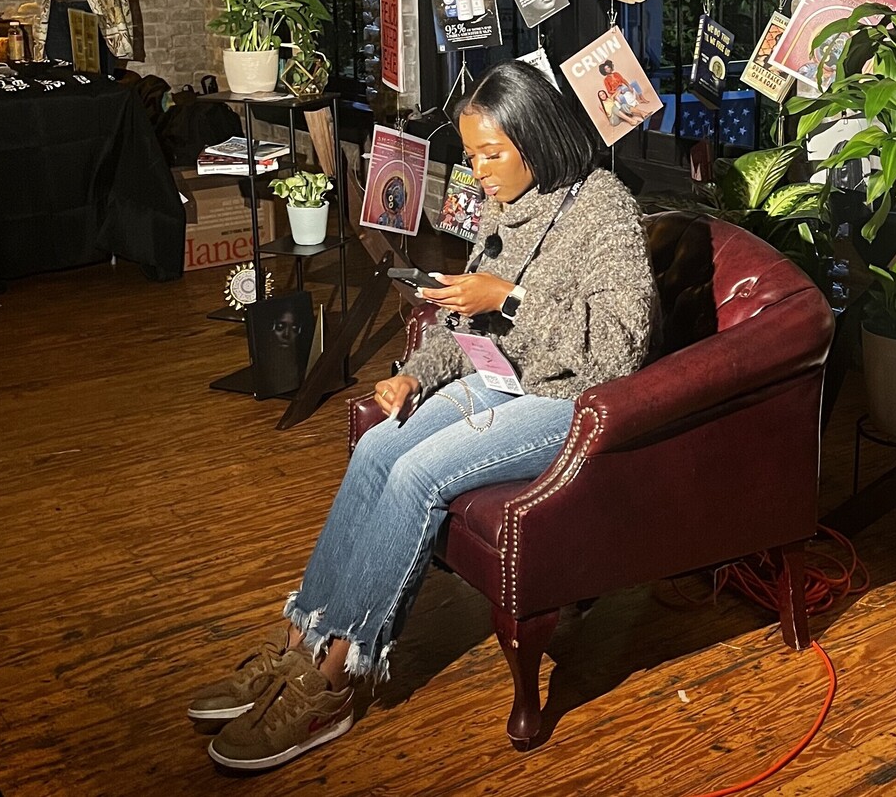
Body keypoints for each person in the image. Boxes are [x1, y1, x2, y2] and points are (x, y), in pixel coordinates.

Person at [188, 61, 657, 772]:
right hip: (502, 383)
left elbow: (620, 349)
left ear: (538, 137)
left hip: (569, 402)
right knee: (380, 449)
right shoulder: (506, 208)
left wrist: (511, 301)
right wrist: (413, 374)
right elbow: (456, 317)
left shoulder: (604, 209)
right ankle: (298, 643)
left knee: (417, 475)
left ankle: (334, 680)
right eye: (471, 154)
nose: (481, 171)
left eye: (493, 153)